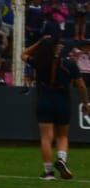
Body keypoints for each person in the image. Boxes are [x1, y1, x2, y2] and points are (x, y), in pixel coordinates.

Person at [22, 36, 90, 180]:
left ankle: (48, 172)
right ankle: (61, 160)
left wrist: (39, 42)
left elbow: (24, 54)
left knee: (46, 137)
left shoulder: (39, 62)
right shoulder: (70, 64)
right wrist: (86, 103)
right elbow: (81, 85)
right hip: (62, 101)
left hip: (44, 101)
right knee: (62, 136)